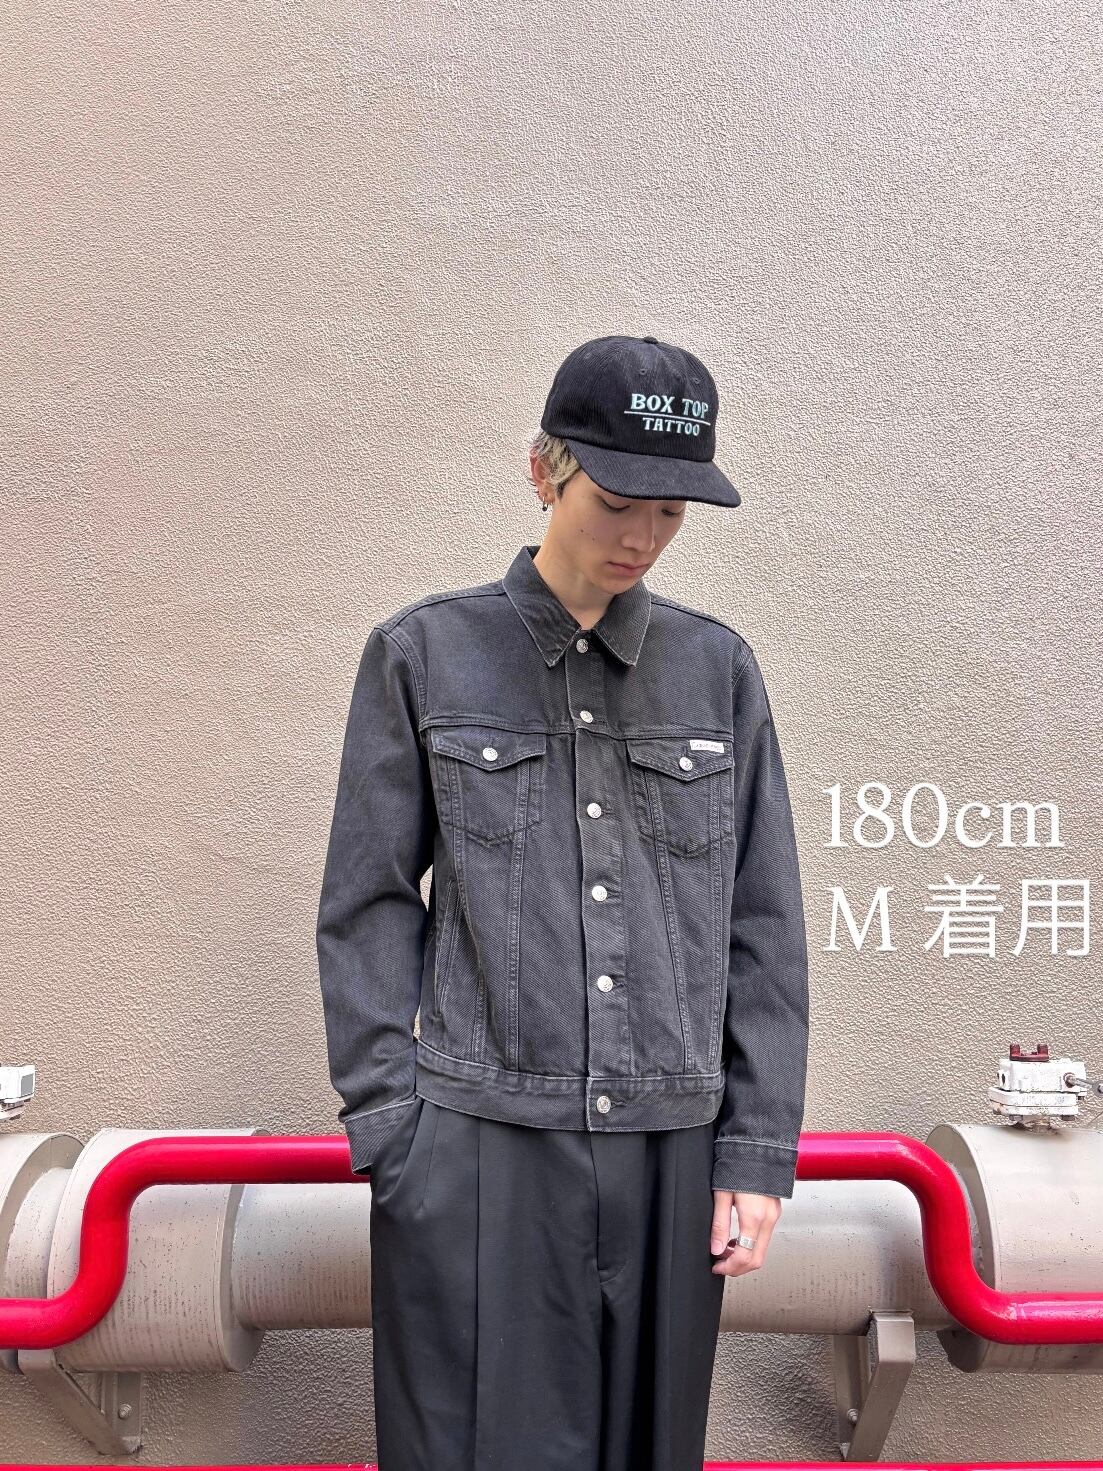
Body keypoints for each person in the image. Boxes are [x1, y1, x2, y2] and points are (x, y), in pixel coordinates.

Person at [315, 333, 810, 1471]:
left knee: (648, 1448)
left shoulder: (717, 673)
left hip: (671, 1145)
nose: (641, 538)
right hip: (474, 1141)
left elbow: (763, 924)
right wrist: (393, 1131)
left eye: (670, 514)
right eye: (617, 503)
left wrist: (752, 1152)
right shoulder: (423, 656)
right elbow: (367, 900)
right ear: (543, 471)